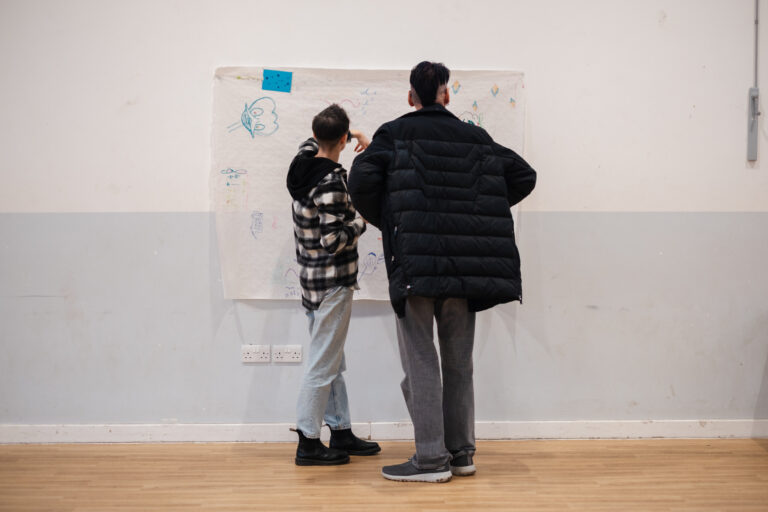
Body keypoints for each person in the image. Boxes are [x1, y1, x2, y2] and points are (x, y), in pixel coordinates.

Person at [348, 62, 536, 482]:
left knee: (421, 361)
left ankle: (430, 460)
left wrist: (393, 220)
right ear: (446, 94)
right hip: (463, 270)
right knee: (458, 364)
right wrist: (479, 209)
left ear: (411, 97)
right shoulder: (476, 138)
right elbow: (523, 175)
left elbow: (360, 179)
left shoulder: (394, 134)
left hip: (415, 264)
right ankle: (461, 455)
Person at [286, 104, 381, 466]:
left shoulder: (301, 164)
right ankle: (308, 441)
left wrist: (349, 134)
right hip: (332, 283)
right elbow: (333, 240)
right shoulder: (332, 181)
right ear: (342, 138)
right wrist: (362, 221)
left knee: (332, 360)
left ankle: (339, 430)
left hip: (311, 281)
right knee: (323, 365)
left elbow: (309, 143)